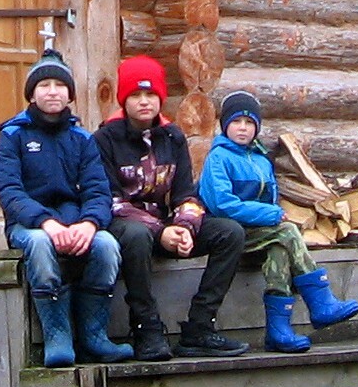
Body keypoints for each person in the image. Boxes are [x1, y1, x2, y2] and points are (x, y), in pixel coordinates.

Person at [94, 55, 250, 361]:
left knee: (230, 233)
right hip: (127, 227)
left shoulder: (173, 136)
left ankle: (200, 327)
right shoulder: (104, 139)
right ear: (123, 100)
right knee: (136, 236)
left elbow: (185, 194)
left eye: (150, 95)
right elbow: (111, 201)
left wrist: (185, 227)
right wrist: (162, 231)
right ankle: (146, 327)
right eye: (136, 95)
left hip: (167, 226)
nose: (143, 102)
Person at [0, 48, 134, 368]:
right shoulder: (13, 135)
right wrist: (45, 222)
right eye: (44, 86)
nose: (52, 92)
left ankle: (93, 335)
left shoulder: (82, 139)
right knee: (41, 247)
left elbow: (99, 191)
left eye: (60, 86)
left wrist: (89, 224)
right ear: (32, 93)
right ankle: (58, 334)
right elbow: (10, 191)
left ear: (70, 94)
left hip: (75, 222)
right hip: (29, 226)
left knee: (107, 246)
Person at [194, 89, 358, 353]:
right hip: (228, 234)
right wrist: (270, 215)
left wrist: (270, 214)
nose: (242, 128)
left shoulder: (261, 160)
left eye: (249, 123)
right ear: (225, 125)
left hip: (261, 234)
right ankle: (320, 301)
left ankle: (278, 331)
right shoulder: (218, 158)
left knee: (279, 249)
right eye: (236, 122)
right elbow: (222, 205)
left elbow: (271, 198)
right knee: (287, 232)